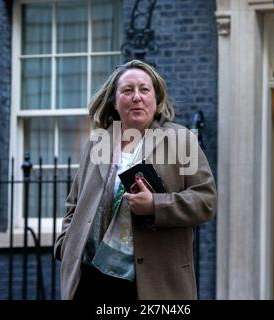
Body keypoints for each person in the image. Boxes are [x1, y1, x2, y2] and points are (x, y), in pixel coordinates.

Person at [54, 59, 217, 300]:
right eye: (127, 90)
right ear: (114, 100)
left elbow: (206, 200)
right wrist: (65, 245)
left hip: (153, 281)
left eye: (144, 89)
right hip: (90, 277)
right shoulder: (97, 144)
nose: (136, 97)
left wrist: (155, 205)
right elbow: (74, 205)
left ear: (157, 98)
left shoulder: (182, 140)